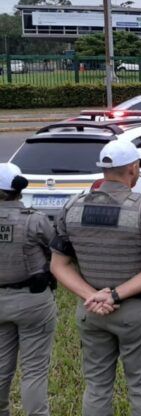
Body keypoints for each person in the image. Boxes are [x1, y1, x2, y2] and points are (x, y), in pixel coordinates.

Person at [51, 141, 141, 416]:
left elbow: (59, 265)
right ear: (133, 168)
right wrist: (114, 295)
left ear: (104, 169)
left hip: (91, 312)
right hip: (135, 314)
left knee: (96, 387)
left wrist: (91, 296)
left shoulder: (72, 207)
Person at [0, 163, 57, 416]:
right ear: (18, 189)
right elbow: (56, 249)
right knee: (34, 370)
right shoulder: (35, 220)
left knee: (1, 367)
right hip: (33, 301)